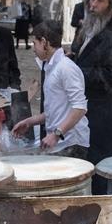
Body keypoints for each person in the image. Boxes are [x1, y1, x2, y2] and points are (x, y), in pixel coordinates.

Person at [69, 0, 112, 194]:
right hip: (81, 110)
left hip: (102, 112)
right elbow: (80, 56)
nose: (93, 5)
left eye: (99, 1)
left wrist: (75, 72)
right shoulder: (85, 29)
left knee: (102, 165)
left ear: (110, 6)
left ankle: (103, 214)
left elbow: (111, 75)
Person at [12, 21, 89, 159]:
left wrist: (56, 134)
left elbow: (80, 108)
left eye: (34, 43)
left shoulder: (66, 68)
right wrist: (29, 122)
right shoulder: (51, 67)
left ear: (44, 42)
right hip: (59, 145)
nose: (33, 49)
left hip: (72, 144)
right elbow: (53, 112)